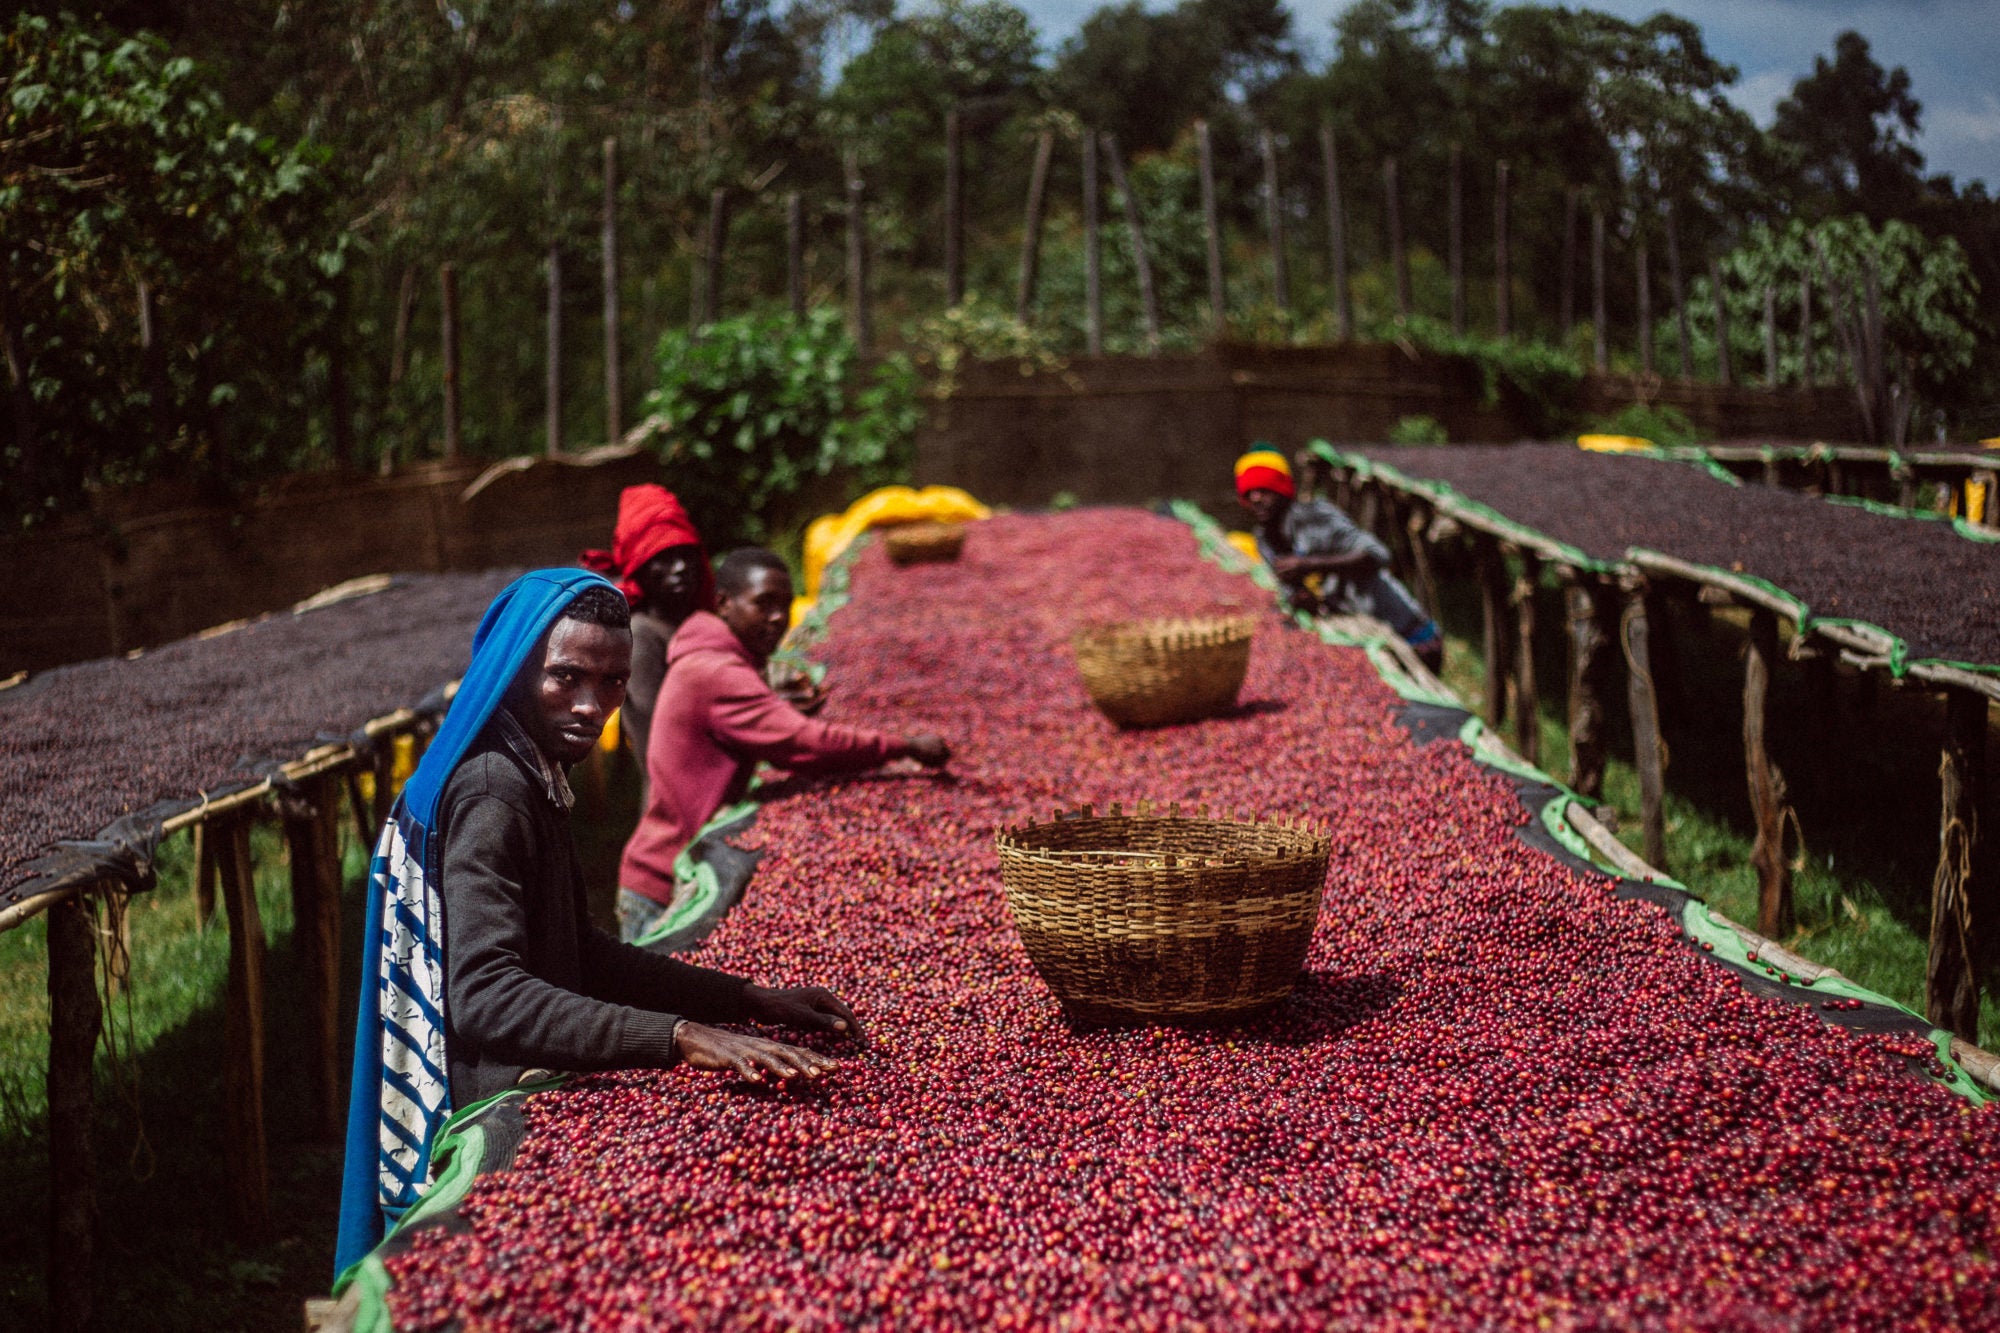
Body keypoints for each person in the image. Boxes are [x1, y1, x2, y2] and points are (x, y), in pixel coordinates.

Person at [334, 570, 864, 1276]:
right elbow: (487, 993)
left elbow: (579, 948)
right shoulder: (496, 794)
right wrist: (674, 1037)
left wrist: (742, 999)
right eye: (566, 677)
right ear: (517, 668)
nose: (592, 705)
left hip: (528, 1077)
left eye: (613, 682)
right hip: (490, 1115)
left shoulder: (532, 770)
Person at [617, 548, 950, 943]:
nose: (778, 618)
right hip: (664, 883)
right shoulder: (717, 671)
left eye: (786, 605)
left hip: (666, 865)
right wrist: (906, 746)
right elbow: (808, 744)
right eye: (763, 604)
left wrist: (776, 708)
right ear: (724, 604)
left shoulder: (713, 657)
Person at [1235, 447, 1445, 671]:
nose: (1256, 498)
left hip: (1410, 635)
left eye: (1264, 490)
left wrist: (1309, 565)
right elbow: (1298, 593)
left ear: (1283, 491)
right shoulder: (1265, 539)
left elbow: (1377, 555)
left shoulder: (1313, 516)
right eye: (1249, 493)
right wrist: (1302, 597)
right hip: (1364, 636)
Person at [580, 485, 713, 775]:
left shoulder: (699, 623)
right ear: (639, 567)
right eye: (664, 558)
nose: (679, 567)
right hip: (683, 799)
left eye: (685, 554)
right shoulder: (641, 637)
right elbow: (665, 741)